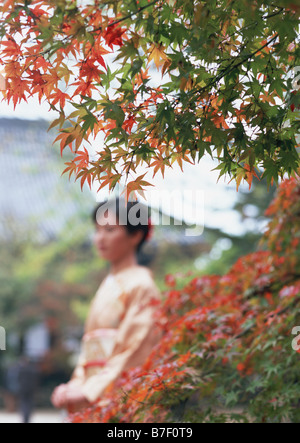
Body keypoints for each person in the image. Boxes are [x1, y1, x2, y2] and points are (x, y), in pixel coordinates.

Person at [51, 197, 161, 413]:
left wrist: (91, 388)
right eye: (97, 230)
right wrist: (75, 385)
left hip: (117, 394)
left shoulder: (142, 285)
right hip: (96, 390)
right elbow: (90, 349)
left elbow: (135, 348)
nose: (100, 238)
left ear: (136, 235)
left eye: (110, 230)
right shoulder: (107, 285)